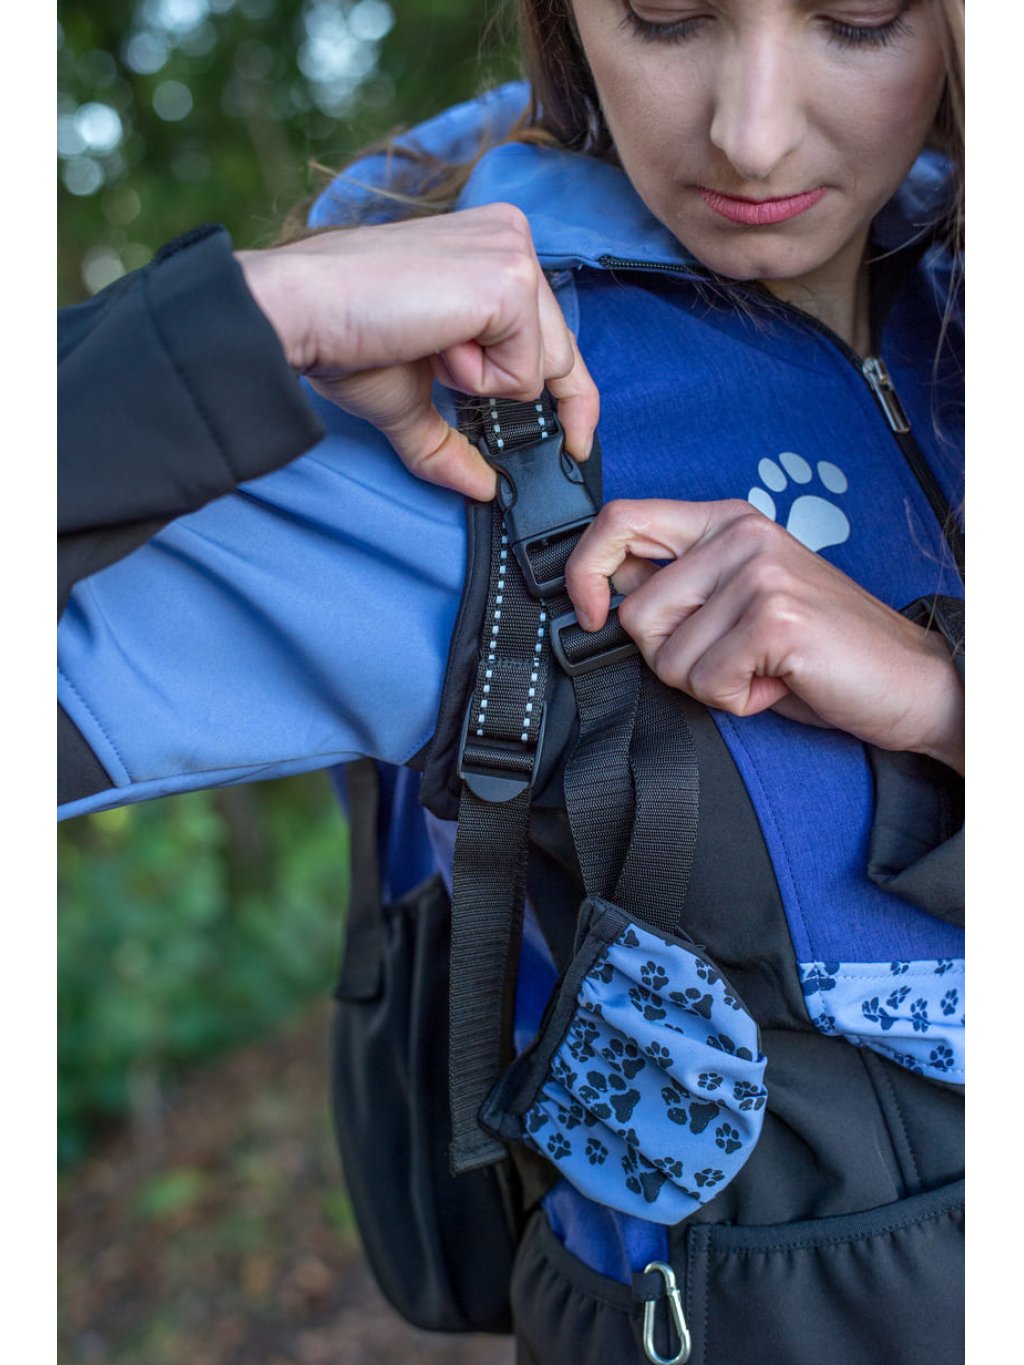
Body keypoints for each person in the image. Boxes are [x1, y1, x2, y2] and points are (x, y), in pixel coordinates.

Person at [58, 1, 964, 1360]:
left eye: (858, 17)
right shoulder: (457, 403)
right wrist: (247, 318)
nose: (754, 129)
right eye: (665, 15)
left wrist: (951, 697)